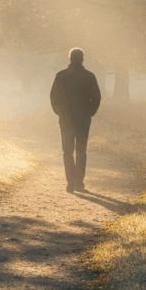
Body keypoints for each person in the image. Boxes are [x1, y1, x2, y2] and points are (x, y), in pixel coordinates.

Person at [50, 48, 101, 192]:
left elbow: (53, 97)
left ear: (70, 59)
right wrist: (90, 112)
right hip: (83, 119)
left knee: (67, 150)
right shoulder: (89, 76)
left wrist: (59, 113)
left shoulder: (60, 75)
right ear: (82, 59)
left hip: (65, 119)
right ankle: (79, 180)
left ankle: (70, 181)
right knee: (81, 150)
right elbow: (96, 98)